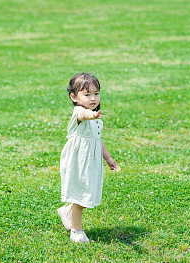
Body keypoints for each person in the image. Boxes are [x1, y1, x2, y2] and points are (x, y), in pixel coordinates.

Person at [58, 73, 120, 243]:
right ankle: (76, 232)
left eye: (96, 93)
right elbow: (84, 115)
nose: (93, 98)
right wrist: (91, 115)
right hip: (78, 161)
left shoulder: (95, 117)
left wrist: (108, 158)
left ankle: (67, 211)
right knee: (80, 195)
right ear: (74, 97)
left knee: (88, 191)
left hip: (90, 162)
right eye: (87, 95)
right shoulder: (80, 112)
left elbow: (97, 139)